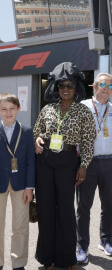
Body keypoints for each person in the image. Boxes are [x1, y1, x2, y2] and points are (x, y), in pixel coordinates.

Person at [33, 62, 96, 270]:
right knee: (46, 209)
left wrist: (84, 165)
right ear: (56, 88)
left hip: (69, 162)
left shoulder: (83, 111)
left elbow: (88, 141)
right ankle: (47, 258)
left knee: (66, 211)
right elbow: (37, 131)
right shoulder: (47, 109)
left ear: (76, 87)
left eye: (69, 85)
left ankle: (67, 259)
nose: (66, 89)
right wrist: (37, 140)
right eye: (62, 86)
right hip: (45, 162)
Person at [76, 73, 112, 262]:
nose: (106, 88)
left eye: (110, 86)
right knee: (83, 207)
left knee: (108, 205)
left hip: (110, 162)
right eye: (102, 84)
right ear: (94, 87)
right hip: (87, 164)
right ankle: (82, 247)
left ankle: (106, 241)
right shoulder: (82, 107)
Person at [0, 93, 35, 270]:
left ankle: (18, 262)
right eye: (4, 109)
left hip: (21, 184)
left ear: (18, 109)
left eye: (12, 108)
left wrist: (30, 187)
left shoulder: (27, 131)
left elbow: (30, 160)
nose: (8, 113)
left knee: (20, 226)